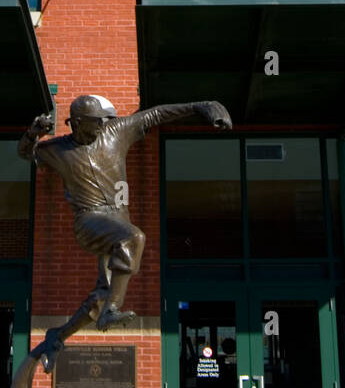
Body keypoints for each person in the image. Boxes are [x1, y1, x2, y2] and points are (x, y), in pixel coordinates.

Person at [19, 94, 232, 333]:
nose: (102, 124)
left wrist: (201, 106)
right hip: (89, 219)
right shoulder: (57, 149)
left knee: (104, 291)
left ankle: (57, 337)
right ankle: (111, 310)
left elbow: (156, 113)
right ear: (77, 122)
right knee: (133, 237)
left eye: (102, 119)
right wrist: (32, 133)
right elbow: (26, 153)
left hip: (117, 219)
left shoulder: (115, 131)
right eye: (95, 120)